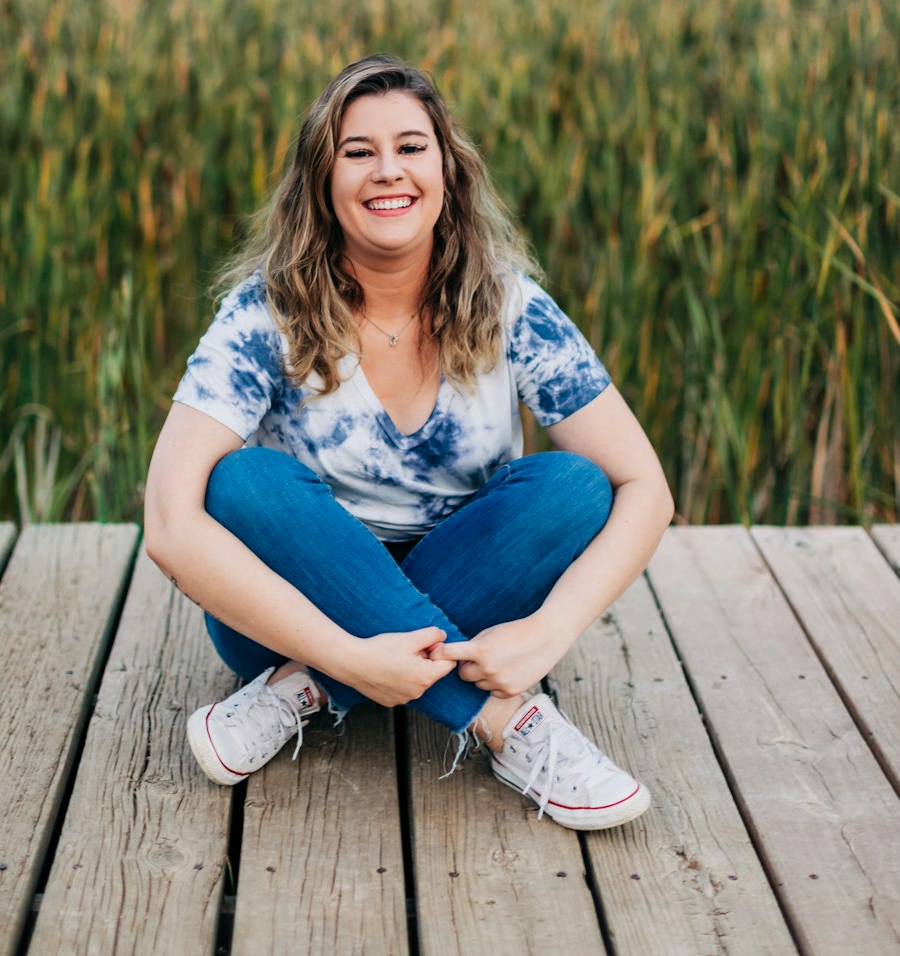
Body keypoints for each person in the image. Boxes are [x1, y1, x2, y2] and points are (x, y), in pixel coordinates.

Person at [144, 55, 674, 830]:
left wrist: (547, 634)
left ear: (447, 171)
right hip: (290, 607)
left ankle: (306, 691)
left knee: (575, 486)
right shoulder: (264, 313)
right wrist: (347, 650)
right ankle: (506, 726)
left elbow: (646, 491)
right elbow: (169, 521)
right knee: (243, 483)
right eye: (357, 152)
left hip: (476, 583)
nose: (387, 171)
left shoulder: (508, 304)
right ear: (321, 183)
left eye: (411, 147)